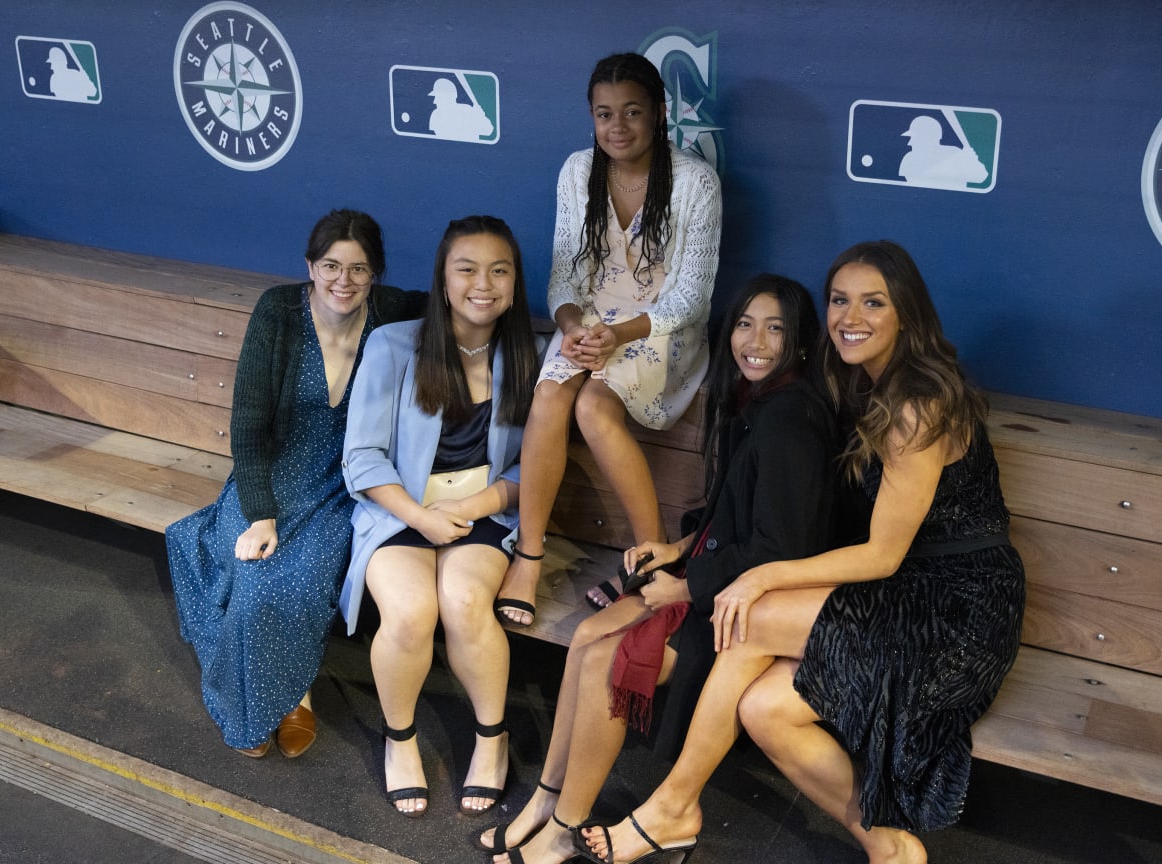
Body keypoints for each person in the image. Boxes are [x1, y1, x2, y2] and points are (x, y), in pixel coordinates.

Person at [579, 241, 1026, 864]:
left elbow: (884, 555)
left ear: (908, 314)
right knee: (764, 709)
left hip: (955, 608)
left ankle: (674, 805)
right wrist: (695, 550)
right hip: (901, 593)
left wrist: (759, 577)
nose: (851, 316)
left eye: (874, 302)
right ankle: (891, 848)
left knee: (749, 617)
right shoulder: (861, 386)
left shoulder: (919, 402)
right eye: (840, 300)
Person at [478, 275, 837, 864]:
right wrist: (677, 547)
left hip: (745, 608)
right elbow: (737, 514)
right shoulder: (758, 403)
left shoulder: (791, 422)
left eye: (776, 328)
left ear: (800, 343)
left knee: (606, 659)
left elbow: (780, 549)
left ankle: (567, 826)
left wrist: (686, 582)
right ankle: (547, 799)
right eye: (746, 324)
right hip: (712, 575)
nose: (757, 340)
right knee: (587, 636)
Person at [167, 209, 425, 759]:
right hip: (271, 474)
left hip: (344, 482)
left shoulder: (393, 311)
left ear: (375, 274)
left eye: (359, 269)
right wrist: (261, 512)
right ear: (309, 266)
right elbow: (248, 424)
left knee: (295, 576)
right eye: (330, 265)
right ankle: (284, 696)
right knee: (254, 568)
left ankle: (289, 689)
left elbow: (459, 302)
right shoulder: (278, 312)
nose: (343, 281)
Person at [494, 51, 722, 627]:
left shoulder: (696, 181)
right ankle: (529, 554)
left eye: (632, 112)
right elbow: (564, 277)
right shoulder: (577, 171)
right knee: (549, 397)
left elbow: (690, 298)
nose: (617, 127)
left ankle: (651, 560)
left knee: (594, 406)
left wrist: (612, 336)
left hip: (660, 329)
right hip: (591, 322)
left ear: (660, 113)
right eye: (604, 114)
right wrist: (574, 328)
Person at [340, 215, 540, 818]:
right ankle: (399, 743)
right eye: (467, 269)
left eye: (499, 270)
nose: (484, 283)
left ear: (514, 281)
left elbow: (535, 468)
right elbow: (362, 458)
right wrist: (420, 518)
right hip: (400, 508)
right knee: (408, 612)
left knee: (462, 602)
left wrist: (478, 506)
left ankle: (491, 739)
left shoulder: (529, 352)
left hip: (484, 512)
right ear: (444, 279)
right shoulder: (395, 344)